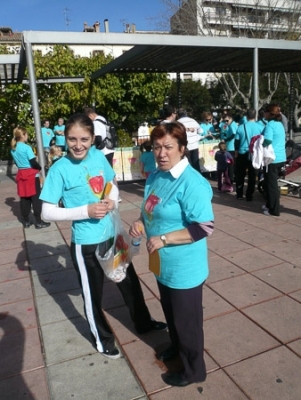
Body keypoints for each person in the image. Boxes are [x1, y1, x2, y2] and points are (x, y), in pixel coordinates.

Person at [40, 113, 167, 360]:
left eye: (84, 139)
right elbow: (46, 211)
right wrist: (84, 211)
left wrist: (112, 197)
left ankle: (143, 322)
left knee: (129, 281)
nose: (78, 145)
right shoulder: (59, 169)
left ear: (93, 138)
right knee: (93, 294)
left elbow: (111, 183)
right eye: (72, 139)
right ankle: (102, 339)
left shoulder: (98, 156)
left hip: (110, 235)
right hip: (85, 243)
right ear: (64, 138)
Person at [129, 121, 214, 387]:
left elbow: (204, 227)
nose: (161, 153)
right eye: (156, 147)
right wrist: (141, 222)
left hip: (185, 267)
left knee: (188, 323)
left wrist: (164, 238)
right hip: (162, 263)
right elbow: (149, 210)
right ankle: (177, 348)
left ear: (182, 148)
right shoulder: (156, 176)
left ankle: (194, 370)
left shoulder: (192, 183)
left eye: (168, 147)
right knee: (172, 314)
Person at [10, 126, 51, 229]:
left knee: (24, 198)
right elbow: (33, 162)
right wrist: (40, 167)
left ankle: (26, 220)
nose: (27, 136)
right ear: (23, 135)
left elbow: (16, 162)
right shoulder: (26, 148)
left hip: (21, 174)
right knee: (36, 198)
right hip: (32, 175)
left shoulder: (13, 149)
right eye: (26, 134)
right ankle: (38, 221)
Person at [262, 104, 286, 216]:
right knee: (269, 183)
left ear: (270, 113)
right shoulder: (279, 124)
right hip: (281, 157)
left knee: (271, 186)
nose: (263, 113)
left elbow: (267, 140)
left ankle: (274, 210)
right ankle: (268, 204)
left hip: (272, 159)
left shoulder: (270, 125)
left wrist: (259, 145)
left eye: (265, 111)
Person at [234, 108, 264, 201]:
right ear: (255, 116)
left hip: (242, 153)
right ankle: (249, 195)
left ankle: (239, 193)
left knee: (240, 174)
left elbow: (237, 142)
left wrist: (236, 153)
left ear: (246, 116)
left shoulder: (240, 127)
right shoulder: (260, 127)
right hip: (254, 154)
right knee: (252, 175)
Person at [177, 108, 203, 173]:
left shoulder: (177, 123)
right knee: (196, 164)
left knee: (188, 165)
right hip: (194, 145)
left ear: (178, 114)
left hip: (185, 146)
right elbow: (201, 131)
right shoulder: (193, 120)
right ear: (186, 113)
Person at [220, 112, 237, 183]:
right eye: (224, 121)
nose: (226, 122)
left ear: (231, 119)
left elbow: (234, 134)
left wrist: (225, 140)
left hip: (231, 147)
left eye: (227, 120)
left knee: (230, 164)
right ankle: (232, 178)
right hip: (231, 147)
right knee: (232, 164)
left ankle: (231, 179)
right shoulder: (232, 124)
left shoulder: (232, 125)